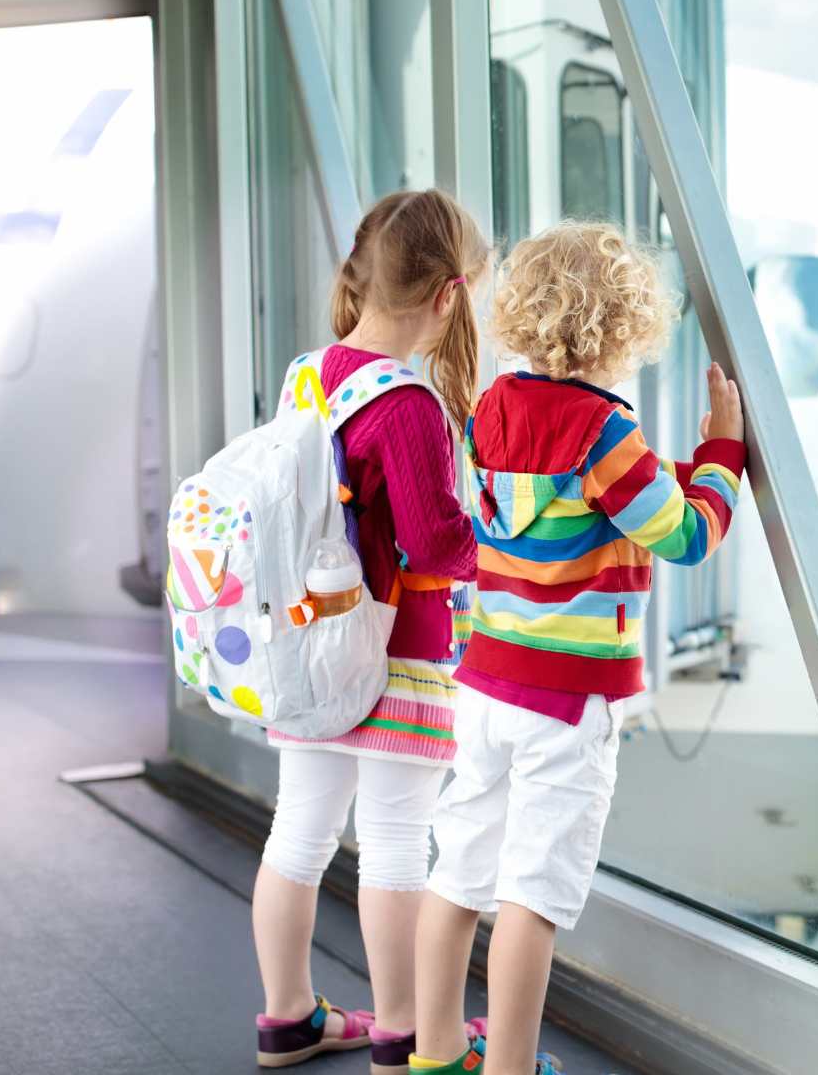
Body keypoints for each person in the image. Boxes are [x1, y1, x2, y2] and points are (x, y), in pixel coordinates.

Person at [408, 222, 747, 1075]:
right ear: (627, 331)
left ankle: (438, 1052)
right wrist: (723, 453)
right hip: (566, 703)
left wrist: (662, 471)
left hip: (485, 684)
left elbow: (579, 498)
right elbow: (686, 536)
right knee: (532, 895)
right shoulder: (604, 435)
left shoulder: (493, 408)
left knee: (458, 870)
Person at [251, 188, 487, 1073]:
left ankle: (287, 1018)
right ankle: (405, 1033)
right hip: (398, 654)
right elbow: (437, 542)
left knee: (298, 833)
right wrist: (502, 541)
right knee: (394, 846)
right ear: (449, 295)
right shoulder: (409, 405)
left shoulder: (306, 375)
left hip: (309, 646)